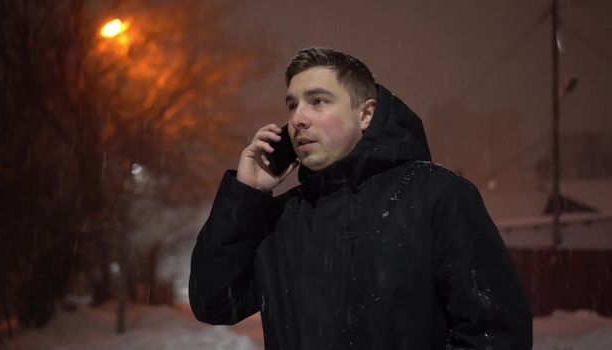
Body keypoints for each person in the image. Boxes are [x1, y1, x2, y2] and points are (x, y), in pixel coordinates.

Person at [189, 46, 532, 349]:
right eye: (292, 105)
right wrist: (248, 194)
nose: (297, 119)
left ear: (365, 114)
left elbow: (496, 333)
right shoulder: (284, 218)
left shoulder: (438, 196)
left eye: (318, 101)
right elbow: (215, 302)